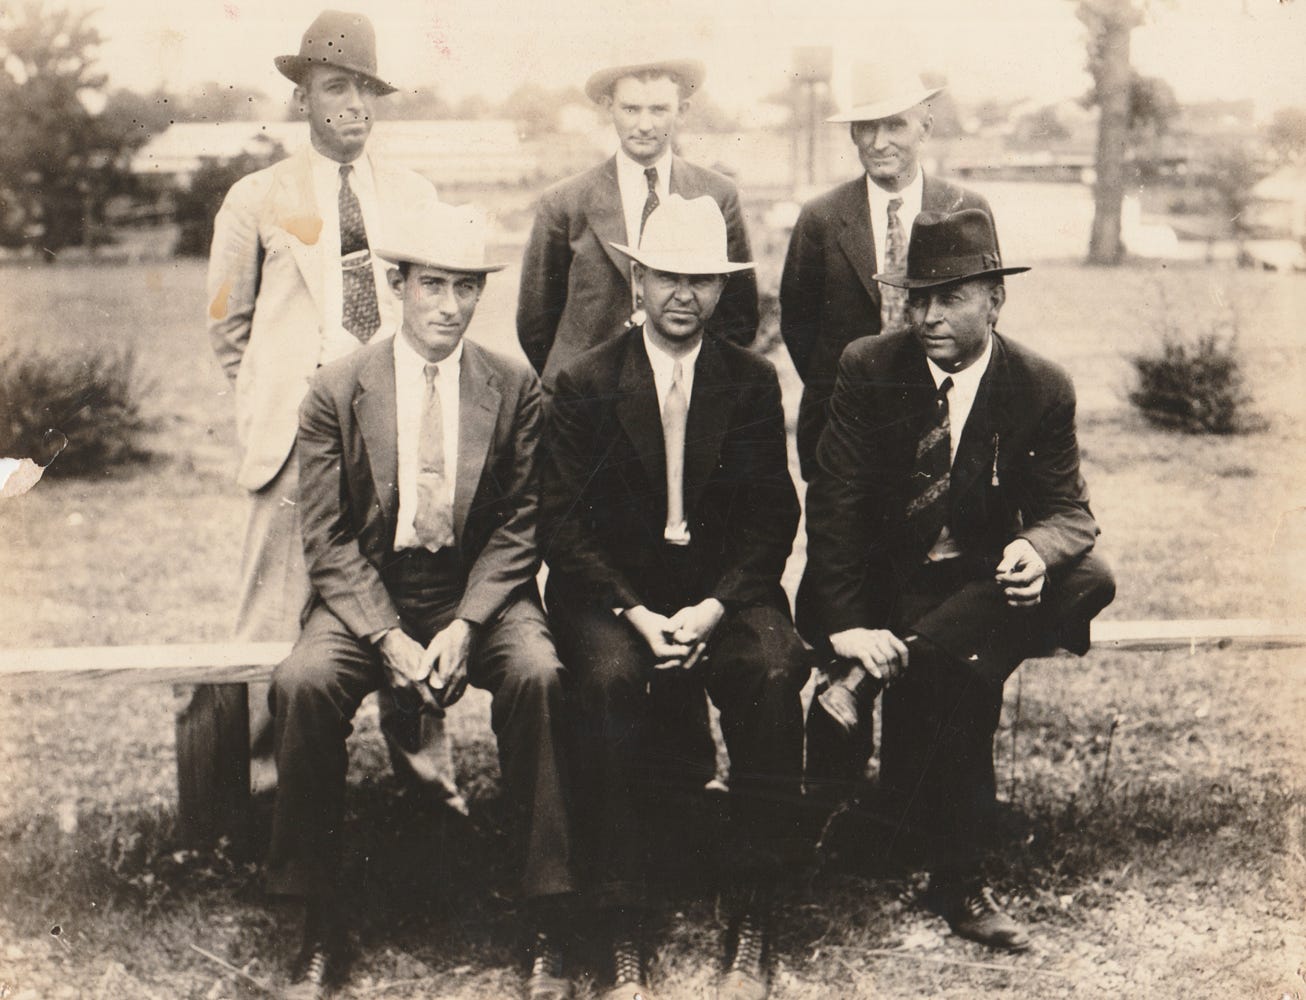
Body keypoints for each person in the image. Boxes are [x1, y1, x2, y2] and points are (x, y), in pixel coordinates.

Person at [267, 200, 576, 999]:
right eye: (433, 285)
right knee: (302, 685)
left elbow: (520, 523)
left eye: (466, 287)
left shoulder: (512, 386)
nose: (449, 306)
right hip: (370, 589)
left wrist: (470, 623)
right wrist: (385, 638)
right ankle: (312, 922)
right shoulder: (337, 390)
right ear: (398, 285)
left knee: (538, 673)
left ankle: (547, 916)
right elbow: (328, 539)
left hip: (477, 588)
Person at [797, 209, 1116, 952]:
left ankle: (872, 685)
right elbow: (835, 503)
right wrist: (845, 622)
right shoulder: (868, 366)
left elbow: (1070, 511)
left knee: (1088, 574)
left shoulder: (1039, 385)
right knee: (966, 671)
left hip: (977, 582)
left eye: (949, 298)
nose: (928, 316)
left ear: (995, 300)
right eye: (917, 299)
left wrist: (1035, 551)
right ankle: (959, 880)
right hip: (883, 585)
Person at [540, 195, 808, 1000]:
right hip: (613, 598)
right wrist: (635, 611)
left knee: (771, 667)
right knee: (611, 679)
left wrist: (717, 608)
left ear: (724, 291)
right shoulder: (586, 383)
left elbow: (772, 516)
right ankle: (624, 920)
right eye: (667, 276)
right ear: (638, 281)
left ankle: (754, 907)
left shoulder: (752, 382)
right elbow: (563, 526)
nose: (683, 294)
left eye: (702, 279)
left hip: (720, 595)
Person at [206, 9, 458, 806]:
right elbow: (228, 327)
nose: (353, 105)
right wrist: (286, 405)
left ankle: (427, 789)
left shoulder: (412, 194)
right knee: (272, 624)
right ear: (304, 98)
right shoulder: (256, 198)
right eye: (335, 87)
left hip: (390, 440)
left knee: (406, 605)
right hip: (292, 443)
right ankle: (267, 795)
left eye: (365, 90)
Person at [780, 64, 996, 480]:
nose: (879, 143)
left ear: (925, 128)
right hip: (844, 427)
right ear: (852, 134)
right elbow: (798, 323)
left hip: (944, 415)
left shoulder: (966, 208)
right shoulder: (821, 218)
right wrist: (852, 390)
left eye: (895, 125)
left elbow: (984, 311)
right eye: (866, 127)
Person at [517, 56, 759, 389]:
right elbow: (535, 323)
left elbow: (739, 314)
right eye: (631, 109)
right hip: (588, 404)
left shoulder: (718, 194)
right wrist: (576, 385)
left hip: (681, 393)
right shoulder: (564, 202)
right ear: (608, 108)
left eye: (659, 110)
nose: (644, 125)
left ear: (682, 111)